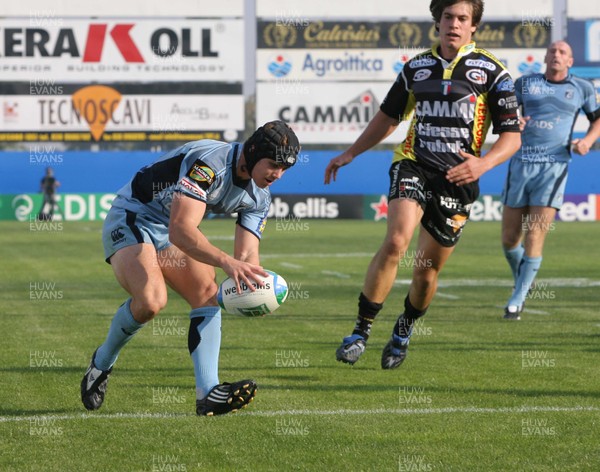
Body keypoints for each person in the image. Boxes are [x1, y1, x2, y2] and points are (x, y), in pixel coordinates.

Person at [324, 0, 521, 369]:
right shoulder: (416, 67)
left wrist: (483, 164)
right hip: (413, 165)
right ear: (437, 21)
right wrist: (350, 153)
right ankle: (360, 331)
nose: (454, 24)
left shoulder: (494, 72)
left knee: (426, 270)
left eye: (463, 18)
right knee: (397, 241)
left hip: (458, 180)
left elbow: (512, 137)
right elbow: (388, 117)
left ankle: (404, 328)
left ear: (473, 26)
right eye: (448, 16)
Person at [81, 120, 300, 415]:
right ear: (253, 152)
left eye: (285, 168)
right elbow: (181, 230)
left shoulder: (259, 196)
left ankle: (208, 393)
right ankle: (101, 364)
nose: (278, 174)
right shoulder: (209, 164)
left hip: (166, 230)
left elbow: (247, 256)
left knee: (207, 293)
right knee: (151, 302)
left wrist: (254, 291)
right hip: (133, 217)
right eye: (273, 164)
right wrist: (225, 261)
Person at [501, 40, 600, 320]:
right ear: (545, 57)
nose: (557, 55)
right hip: (520, 164)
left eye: (563, 52)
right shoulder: (524, 84)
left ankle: (516, 302)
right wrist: (512, 123)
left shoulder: (582, 88)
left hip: (554, 166)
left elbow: (598, 120)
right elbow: (504, 115)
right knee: (509, 238)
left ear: (570, 61)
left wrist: (588, 141)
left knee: (535, 233)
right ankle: (523, 279)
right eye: (553, 51)